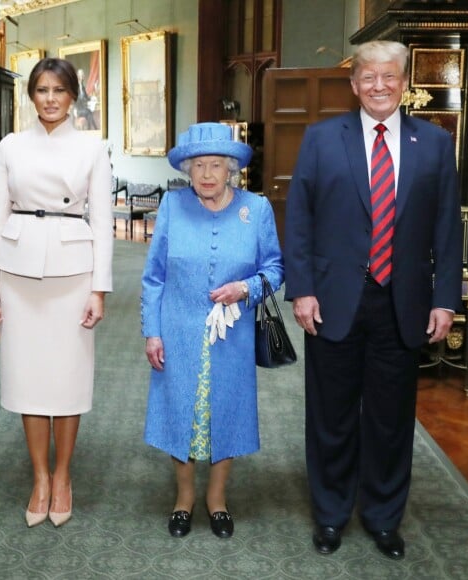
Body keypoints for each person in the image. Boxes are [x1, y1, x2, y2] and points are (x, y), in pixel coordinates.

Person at [284, 40, 463, 559]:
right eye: (368, 77)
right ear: (354, 83)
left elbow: (447, 229)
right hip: (333, 300)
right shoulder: (321, 139)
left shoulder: (433, 143)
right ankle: (331, 514)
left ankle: (384, 517)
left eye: (389, 77)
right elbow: (300, 223)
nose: (379, 86)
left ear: (404, 83)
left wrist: (445, 300)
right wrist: (302, 291)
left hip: (404, 303)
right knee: (331, 416)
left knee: (390, 418)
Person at [0, 57, 113, 528]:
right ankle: (39, 477)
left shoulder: (93, 148)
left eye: (59, 89)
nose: (51, 98)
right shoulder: (11, 147)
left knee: (67, 380)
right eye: (42, 90)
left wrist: (99, 289)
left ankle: (63, 476)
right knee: (29, 380)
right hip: (18, 274)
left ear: (73, 95)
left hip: (73, 273)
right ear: (31, 96)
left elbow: (103, 222)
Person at [142, 122, 283, 539]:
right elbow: (153, 277)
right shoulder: (171, 205)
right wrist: (153, 331)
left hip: (232, 336)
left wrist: (246, 288)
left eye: (216, 165)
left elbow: (275, 269)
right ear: (187, 168)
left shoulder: (256, 209)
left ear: (231, 169)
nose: (206, 174)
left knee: (228, 412)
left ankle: (216, 499)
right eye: (199, 165)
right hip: (178, 329)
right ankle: (184, 498)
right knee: (178, 411)